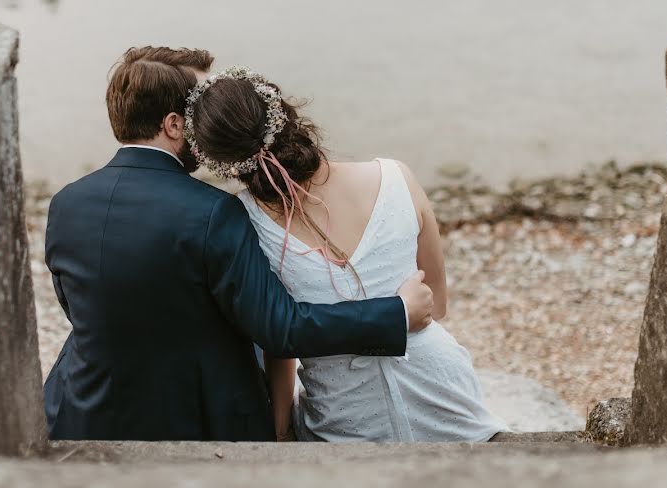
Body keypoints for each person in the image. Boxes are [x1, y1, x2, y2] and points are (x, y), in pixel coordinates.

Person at [43, 47, 435, 440]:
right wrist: (396, 314)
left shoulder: (66, 203)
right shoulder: (213, 212)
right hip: (199, 419)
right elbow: (279, 328)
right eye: (199, 108)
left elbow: (76, 309)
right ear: (175, 125)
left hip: (82, 408)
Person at [188, 66, 509, 442]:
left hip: (342, 413)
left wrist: (279, 428)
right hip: (441, 389)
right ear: (284, 111)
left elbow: (280, 340)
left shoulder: (244, 219)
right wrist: (397, 313)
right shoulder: (396, 177)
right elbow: (435, 305)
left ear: (219, 162)